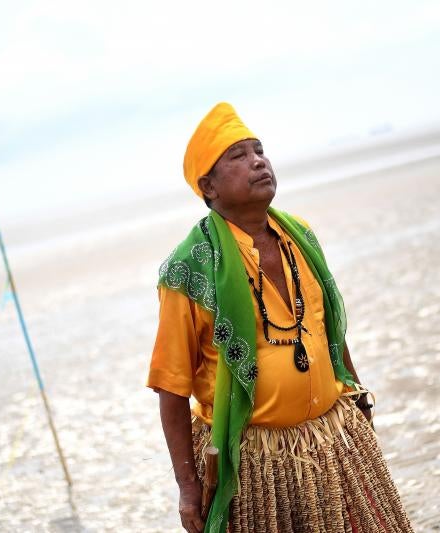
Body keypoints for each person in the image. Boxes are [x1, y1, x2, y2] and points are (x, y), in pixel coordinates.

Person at [147, 102, 413, 533]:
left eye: (259, 150)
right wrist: (188, 486)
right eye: (238, 156)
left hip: (332, 439)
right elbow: (171, 387)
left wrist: (358, 394)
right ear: (208, 186)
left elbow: (329, 331)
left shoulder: (300, 236)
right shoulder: (187, 270)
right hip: (256, 461)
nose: (258, 162)